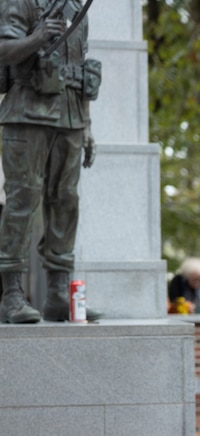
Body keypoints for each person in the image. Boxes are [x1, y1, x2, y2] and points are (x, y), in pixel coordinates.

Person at [0, 0, 101, 323]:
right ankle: (11, 294)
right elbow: (3, 51)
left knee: (66, 202)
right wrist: (37, 37)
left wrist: (86, 127)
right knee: (22, 200)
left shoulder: (76, 9)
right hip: (26, 113)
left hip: (70, 118)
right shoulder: (21, 2)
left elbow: (82, 70)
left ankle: (58, 294)